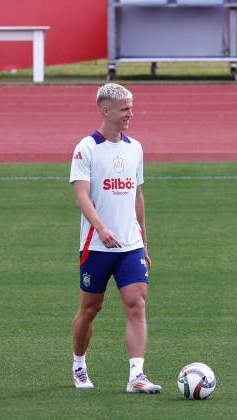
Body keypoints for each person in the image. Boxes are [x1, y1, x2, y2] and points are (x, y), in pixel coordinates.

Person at [69, 83, 161, 394]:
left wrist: (144, 240)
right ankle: (79, 364)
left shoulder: (135, 147)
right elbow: (82, 197)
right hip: (96, 246)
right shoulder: (86, 148)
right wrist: (102, 229)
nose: (130, 114)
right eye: (124, 109)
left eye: (131, 108)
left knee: (137, 304)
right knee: (90, 308)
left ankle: (137, 375)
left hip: (129, 246)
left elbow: (137, 195)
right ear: (105, 111)